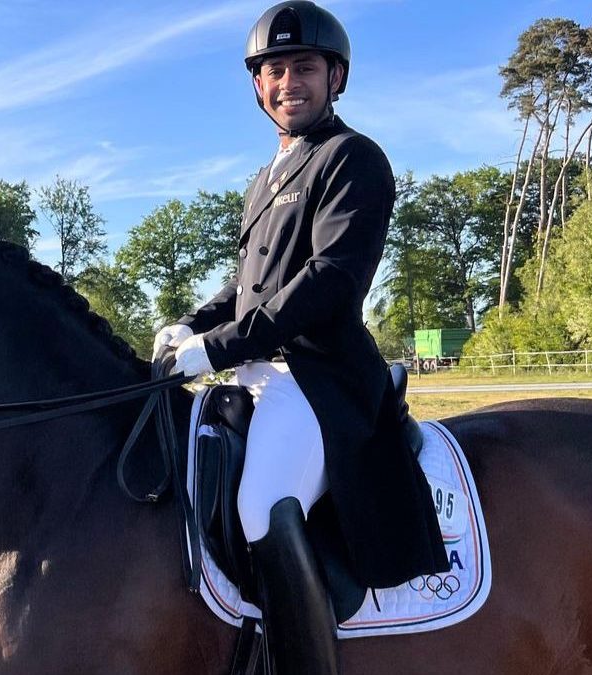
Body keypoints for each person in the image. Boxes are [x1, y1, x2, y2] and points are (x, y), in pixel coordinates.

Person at [153, 2, 449, 672]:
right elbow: (249, 287)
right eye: (275, 69)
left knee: (262, 504)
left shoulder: (353, 158)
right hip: (258, 377)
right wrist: (195, 324)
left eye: (305, 67)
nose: (290, 81)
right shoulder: (267, 178)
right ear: (258, 86)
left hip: (318, 380)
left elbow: (327, 282)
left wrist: (219, 348)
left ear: (336, 76)